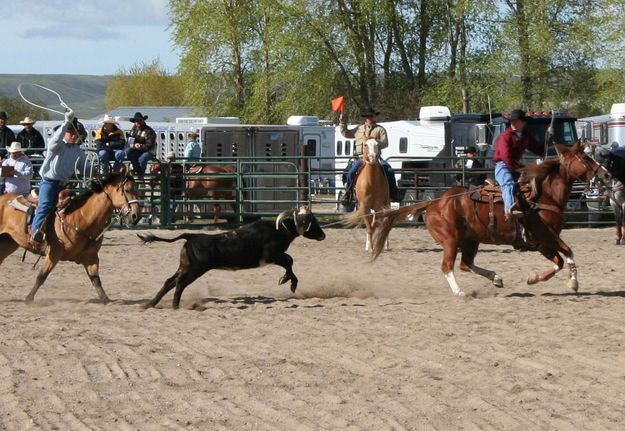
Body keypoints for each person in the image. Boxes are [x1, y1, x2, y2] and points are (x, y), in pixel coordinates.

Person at [28, 111, 88, 252]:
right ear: (65, 133)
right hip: (49, 182)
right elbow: (55, 139)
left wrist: (96, 173)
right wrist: (66, 122)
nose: (73, 135)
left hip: (62, 185)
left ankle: (64, 234)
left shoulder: (78, 151)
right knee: (45, 205)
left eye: (75, 132)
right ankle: (36, 233)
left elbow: (86, 167)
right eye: (70, 132)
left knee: (70, 207)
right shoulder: (57, 145)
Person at [339, 106, 402, 205]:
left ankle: (393, 193)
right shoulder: (359, 129)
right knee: (351, 172)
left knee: (389, 170)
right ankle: (348, 194)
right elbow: (346, 133)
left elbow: (385, 143)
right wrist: (342, 123)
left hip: (376, 158)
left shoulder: (380, 130)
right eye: (368, 116)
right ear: (365, 117)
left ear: (375, 117)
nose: (370, 118)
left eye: (372, 116)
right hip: (361, 158)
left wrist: (374, 141)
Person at [492, 109, 545, 219]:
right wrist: (516, 169)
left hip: (516, 166)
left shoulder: (526, 136)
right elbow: (506, 156)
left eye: (516, 121)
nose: (513, 123)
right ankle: (510, 210)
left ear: (523, 122)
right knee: (508, 184)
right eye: (512, 121)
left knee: (537, 183)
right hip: (503, 166)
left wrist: (547, 144)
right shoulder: (505, 136)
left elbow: (537, 148)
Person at [125, 111, 156, 177]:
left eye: (139, 120)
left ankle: (140, 176)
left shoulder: (149, 131)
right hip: (137, 150)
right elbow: (129, 141)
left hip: (148, 151)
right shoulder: (133, 130)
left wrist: (140, 146)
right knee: (128, 151)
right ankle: (137, 169)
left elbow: (150, 145)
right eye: (136, 121)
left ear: (143, 120)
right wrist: (134, 145)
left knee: (142, 158)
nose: (138, 122)